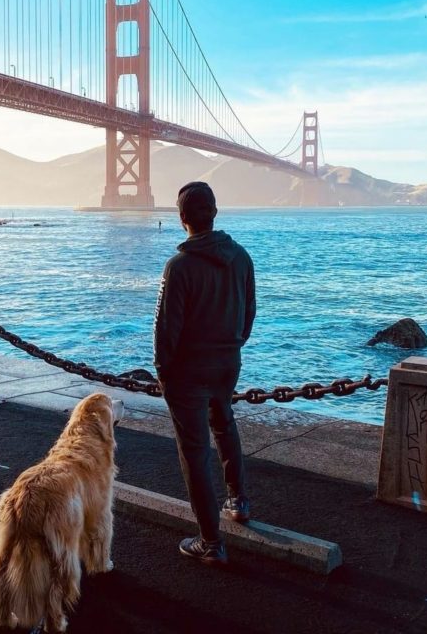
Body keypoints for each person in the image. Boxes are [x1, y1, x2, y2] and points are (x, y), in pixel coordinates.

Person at [153, 181, 256, 565]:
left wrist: (164, 371)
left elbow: (166, 327)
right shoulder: (241, 257)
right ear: (214, 213)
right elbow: (249, 313)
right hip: (227, 363)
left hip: (187, 371)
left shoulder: (179, 266)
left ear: (182, 219)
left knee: (194, 451)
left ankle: (211, 542)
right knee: (224, 424)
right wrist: (231, 346)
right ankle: (239, 500)